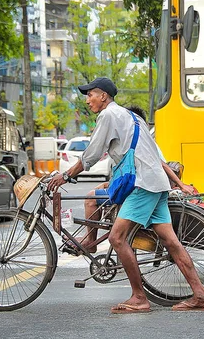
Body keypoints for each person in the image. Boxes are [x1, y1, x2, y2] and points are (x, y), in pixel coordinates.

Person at [47, 77, 204, 313]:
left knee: (117, 238)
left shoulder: (108, 115)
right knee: (171, 242)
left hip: (142, 184)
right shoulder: (133, 118)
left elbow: (92, 154)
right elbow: (155, 157)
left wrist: (66, 176)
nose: (88, 100)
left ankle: (139, 298)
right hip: (156, 183)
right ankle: (200, 295)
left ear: (103, 96)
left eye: (90, 94)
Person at [75, 104, 195, 254]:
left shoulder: (142, 143)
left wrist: (180, 184)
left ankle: (91, 242)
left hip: (143, 188)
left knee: (91, 200)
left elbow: (160, 165)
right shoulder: (138, 141)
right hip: (145, 187)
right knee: (170, 242)